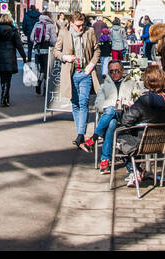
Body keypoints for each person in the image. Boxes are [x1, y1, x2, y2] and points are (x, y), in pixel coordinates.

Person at [114, 64, 165, 187]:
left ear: (147, 82)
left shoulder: (144, 100)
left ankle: (136, 170)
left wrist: (130, 109)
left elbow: (126, 121)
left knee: (119, 133)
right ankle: (141, 170)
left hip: (142, 143)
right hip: (162, 142)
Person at [54, 12, 101, 151]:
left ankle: (81, 135)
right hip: (71, 74)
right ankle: (79, 134)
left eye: (82, 25)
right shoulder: (64, 33)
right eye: (78, 26)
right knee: (74, 103)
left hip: (85, 73)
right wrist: (65, 57)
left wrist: (91, 65)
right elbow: (56, 51)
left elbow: (97, 50)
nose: (81, 28)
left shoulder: (89, 31)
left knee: (84, 102)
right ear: (72, 24)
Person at [93, 58, 139, 174]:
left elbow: (138, 100)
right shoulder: (104, 86)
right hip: (110, 118)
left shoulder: (131, 84)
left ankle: (95, 142)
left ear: (123, 71)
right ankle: (105, 159)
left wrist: (126, 104)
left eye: (117, 71)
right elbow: (98, 106)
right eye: (111, 71)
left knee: (111, 121)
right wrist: (112, 106)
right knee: (112, 123)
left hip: (126, 117)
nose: (114, 74)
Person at [0, 12, 27, 107]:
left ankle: (5, 97)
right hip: (9, 57)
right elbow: (19, 45)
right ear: (9, 20)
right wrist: (24, 57)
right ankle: (4, 98)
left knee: (2, 79)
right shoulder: (13, 31)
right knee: (7, 80)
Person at [30, 10, 56, 95]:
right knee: (47, 69)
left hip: (38, 50)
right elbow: (53, 40)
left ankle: (39, 82)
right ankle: (44, 88)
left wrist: (36, 43)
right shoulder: (51, 25)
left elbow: (31, 37)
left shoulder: (37, 24)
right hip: (46, 48)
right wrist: (54, 46)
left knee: (42, 68)